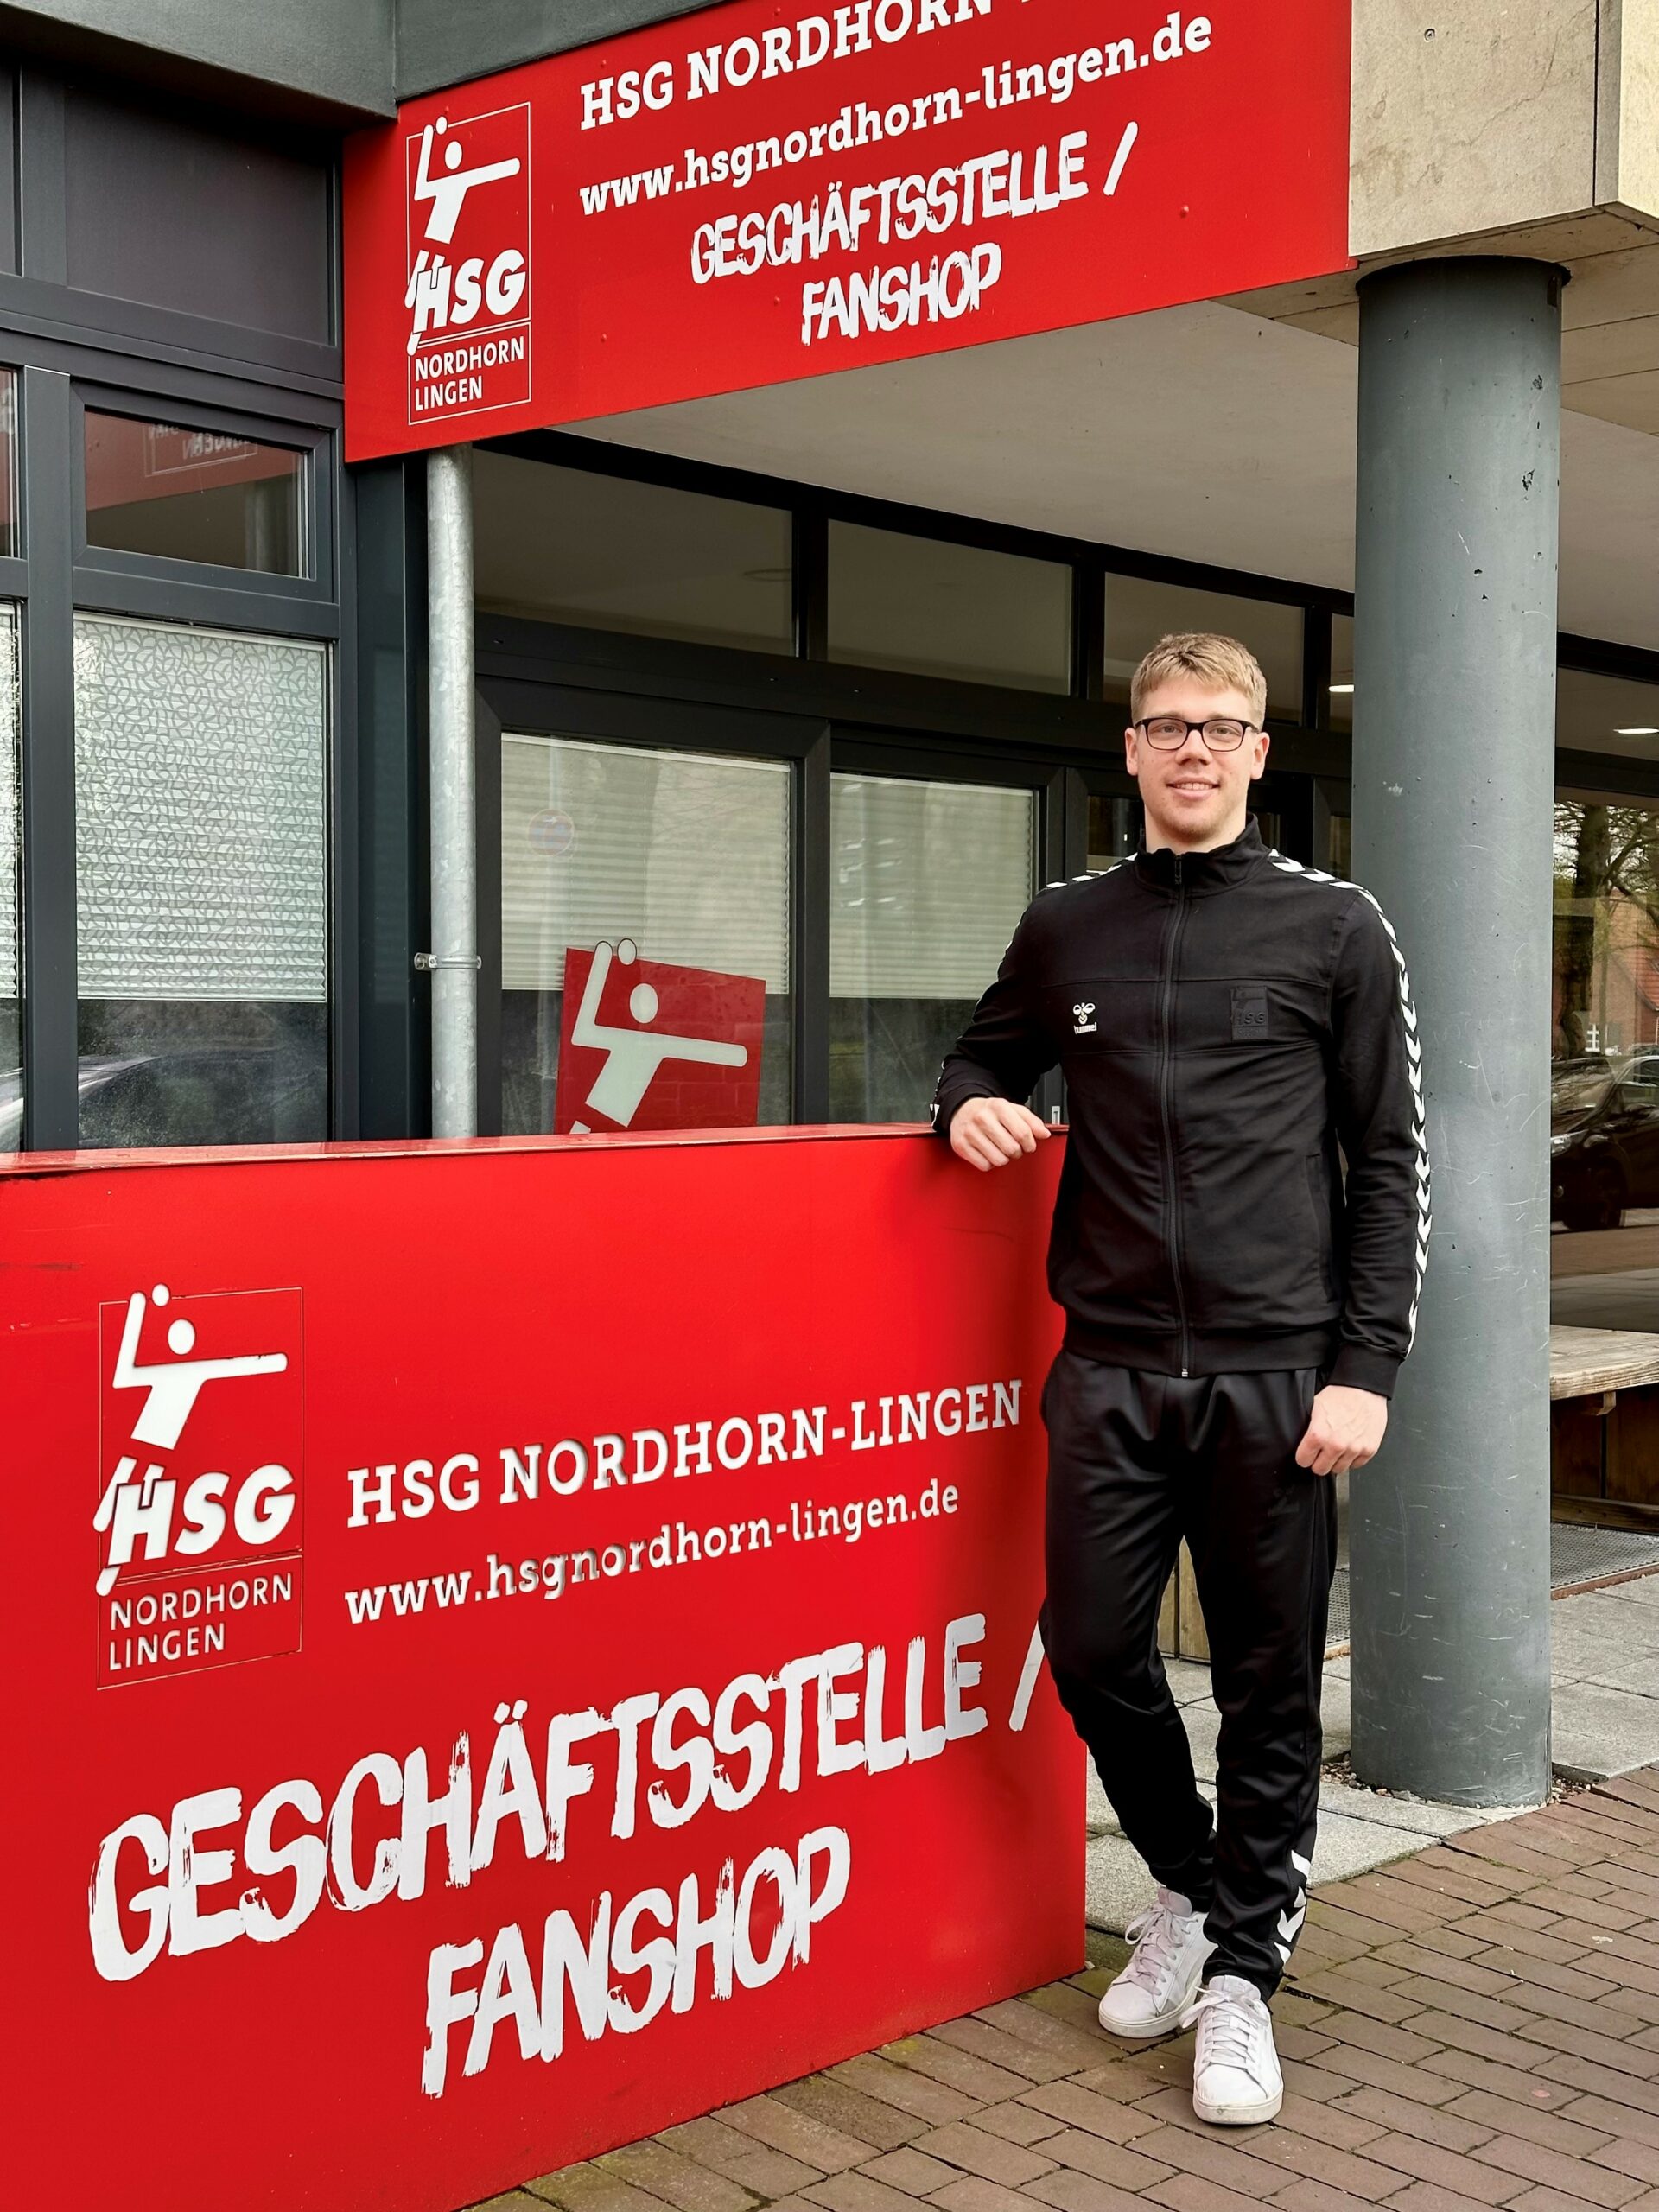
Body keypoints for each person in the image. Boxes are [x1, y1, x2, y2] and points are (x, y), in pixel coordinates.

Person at [931, 632, 1427, 2128]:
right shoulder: (1066, 925)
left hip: (1280, 1378)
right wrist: (968, 1110)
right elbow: (977, 1060)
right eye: (1166, 726)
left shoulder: (1337, 926)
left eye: (1219, 727)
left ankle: (1241, 1984)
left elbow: (1393, 1160)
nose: (1192, 749)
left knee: (1271, 1685)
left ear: (1259, 753)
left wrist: (1366, 1367)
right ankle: (1198, 1891)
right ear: (1132, 751)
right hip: (1111, 1367)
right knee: (1088, 1648)